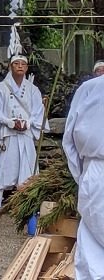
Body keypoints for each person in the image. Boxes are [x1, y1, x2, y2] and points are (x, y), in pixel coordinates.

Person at [0, 54, 49, 216]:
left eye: (23, 64)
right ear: (10, 67)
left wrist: (28, 123)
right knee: (3, 166)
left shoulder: (33, 90)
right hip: (8, 134)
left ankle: (26, 206)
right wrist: (9, 122)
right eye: (16, 64)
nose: (20, 66)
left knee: (28, 168)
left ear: (27, 68)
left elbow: (38, 110)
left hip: (25, 133)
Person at [63, 73, 104, 280]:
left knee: (91, 238)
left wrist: (82, 175)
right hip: (94, 168)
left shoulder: (88, 88)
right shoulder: (89, 88)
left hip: (93, 171)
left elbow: (69, 140)